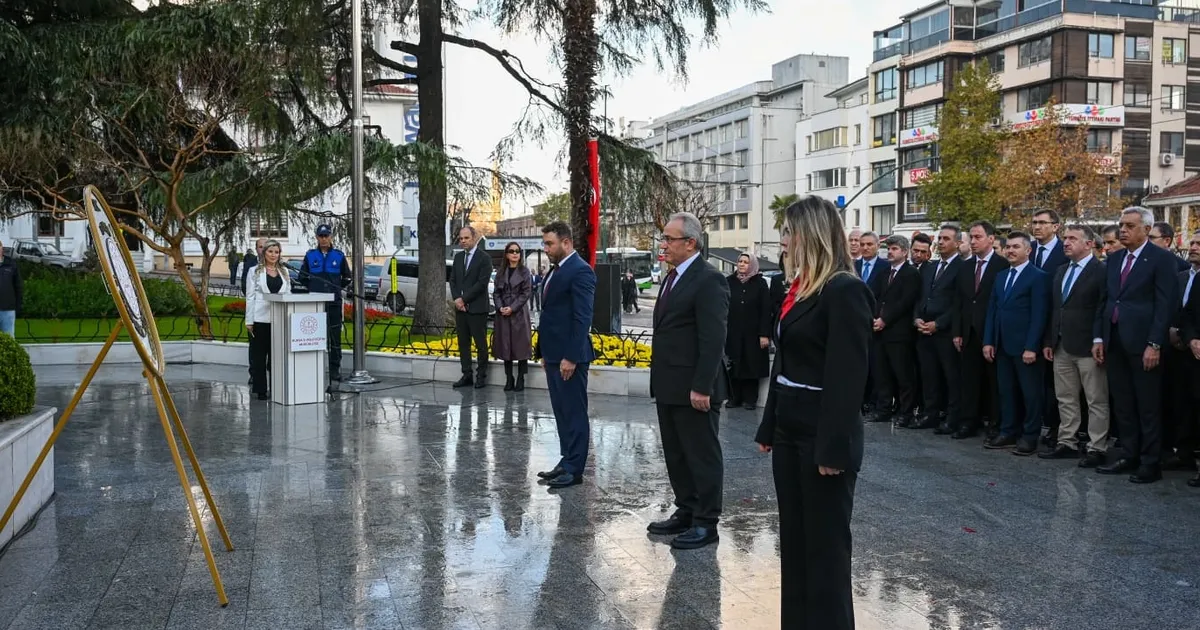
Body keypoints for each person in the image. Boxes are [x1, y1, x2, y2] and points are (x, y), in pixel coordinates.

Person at [755, 195, 871, 630]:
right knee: (797, 543)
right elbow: (784, 363)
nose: (783, 241)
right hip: (790, 427)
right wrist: (770, 424)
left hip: (823, 434)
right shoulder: (802, 287)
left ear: (812, 235)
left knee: (826, 551)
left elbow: (847, 379)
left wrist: (833, 450)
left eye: (789, 231)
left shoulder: (845, 290)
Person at [648, 211, 729, 551]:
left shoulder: (708, 279)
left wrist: (702, 386)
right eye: (663, 238)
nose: (662, 244)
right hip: (669, 384)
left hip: (694, 388)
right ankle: (687, 509)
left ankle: (706, 521)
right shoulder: (672, 276)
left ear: (690, 243)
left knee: (700, 454)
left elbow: (713, 338)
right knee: (677, 454)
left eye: (669, 239)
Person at [1095, 206, 1178, 484]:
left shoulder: (1161, 259)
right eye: (1121, 225)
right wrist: (1100, 337)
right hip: (1116, 340)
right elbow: (1107, 301)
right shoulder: (1116, 258)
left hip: (1144, 343)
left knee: (1148, 405)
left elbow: (1164, 305)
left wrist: (1154, 343)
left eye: (1130, 226)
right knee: (1124, 403)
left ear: (1145, 228)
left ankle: (1150, 462)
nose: (1123, 230)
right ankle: (1128, 454)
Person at [535, 222, 596, 488]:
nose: (546, 248)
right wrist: (544, 353)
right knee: (561, 411)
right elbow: (550, 314)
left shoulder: (580, 271)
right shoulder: (557, 270)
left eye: (550, 243)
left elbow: (582, 318)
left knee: (574, 412)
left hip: (570, 357)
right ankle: (566, 460)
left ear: (566, 243)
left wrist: (570, 357)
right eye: (545, 243)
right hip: (553, 355)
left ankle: (575, 468)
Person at [1042, 225, 1108, 467]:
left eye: (1072, 239)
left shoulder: (1101, 271)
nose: (1066, 243)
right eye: (1065, 238)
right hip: (1061, 345)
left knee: (1095, 399)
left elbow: (1102, 308)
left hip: (1089, 346)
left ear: (1089, 244)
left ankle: (1097, 446)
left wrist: (1098, 339)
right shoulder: (1061, 271)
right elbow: (1056, 308)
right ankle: (1067, 441)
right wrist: (1049, 340)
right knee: (1065, 397)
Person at [982, 231, 1050, 456]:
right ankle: (1008, 431)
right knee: (1006, 391)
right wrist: (989, 340)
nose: (1010, 251)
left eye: (1016, 247)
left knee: (1030, 394)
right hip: (1001, 345)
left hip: (1025, 348)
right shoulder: (1001, 276)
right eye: (1008, 247)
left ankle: (1030, 436)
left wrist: (1032, 346)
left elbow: (1040, 315)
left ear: (1028, 250)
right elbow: (993, 310)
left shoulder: (1038, 277)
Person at [953, 221, 1010, 439]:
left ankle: (995, 423)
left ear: (991, 239)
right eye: (971, 237)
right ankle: (968, 422)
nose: (973, 242)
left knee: (993, 382)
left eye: (978, 237)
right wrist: (957, 331)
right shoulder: (965, 267)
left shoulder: (1002, 265)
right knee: (969, 380)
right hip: (968, 332)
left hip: (991, 332)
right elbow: (958, 301)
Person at [914, 225, 964, 434]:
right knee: (929, 374)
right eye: (940, 238)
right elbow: (921, 295)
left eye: (946, 238)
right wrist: (916, 317)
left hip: (945, 331)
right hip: (923, 329)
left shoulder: (962, 267)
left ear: (957, 243)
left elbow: (958, 303)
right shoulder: (930, 267)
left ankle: (952, 417)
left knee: (951, 377)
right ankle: (930, 413)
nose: (941, 242)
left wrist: (939, 324)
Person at [871, 235, 921, 426]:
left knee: (903, 375)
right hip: (880, 331)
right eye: (889, 248)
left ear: (905, 251)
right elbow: (874, 296)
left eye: (894, 249)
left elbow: (905, 302)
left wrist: (885, 319)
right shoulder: (884, 273)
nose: (890, 252)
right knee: (882, 373)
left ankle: (905, 412)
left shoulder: (911, 274)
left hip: (899, 333)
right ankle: (883, 409)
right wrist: (875, 318)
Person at [300, 224, 351, 381]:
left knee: (334, 337)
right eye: (321, 236)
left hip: (333, 302)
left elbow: (347, 277)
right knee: (313, 336)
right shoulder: (310, 255)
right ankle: (313, 367)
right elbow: (302, 277)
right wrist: (313, 289)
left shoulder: (339, 255)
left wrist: (335, 289)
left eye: (326, 236)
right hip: (315, 303)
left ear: (331, 237)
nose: (324, 239)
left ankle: (335, 370)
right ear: (316, 237)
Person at [724, 253, 771, 411]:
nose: (742, 264)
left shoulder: (760, 283)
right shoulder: (729, 282)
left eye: (746, 262)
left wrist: (764, 334)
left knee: (751, 364)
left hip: (753, 332)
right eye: (740, 261)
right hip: (733, 331)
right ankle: (733, 397)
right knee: (734, 364)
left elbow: (766, 310)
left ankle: (750, 399)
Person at [245, 240, 290, 400]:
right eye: (270, 251)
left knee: (276, 356)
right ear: (264, 253)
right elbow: (250, 296)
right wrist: (249, 321)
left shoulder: (284, 271)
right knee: (259, 357)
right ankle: (261, 389)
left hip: (278, 319)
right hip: (259, 319)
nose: (273, 255)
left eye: (276, 252)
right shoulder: (255, 271)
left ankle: (277, 387)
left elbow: (288, 295)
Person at [449, 226, 493, 388]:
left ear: (474, 238)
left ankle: (481, 376)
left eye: (466, 238)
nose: (463, 241)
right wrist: (457, 299)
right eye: (461, 239)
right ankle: (466, 374)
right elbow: (453, 280)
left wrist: (464, 299)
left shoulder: (484, 258)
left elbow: (482, 283)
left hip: (476, 308)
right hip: (461, 309)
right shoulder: (459, 258)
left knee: (480, 344)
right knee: (463, 343)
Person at [1175, 231, 1200, 488]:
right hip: (1189, 352)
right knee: (1184, 403)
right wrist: (1192, 338)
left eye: (1197, 244)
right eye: (1192, 243)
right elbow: (1189, 313)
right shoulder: (1191, 278)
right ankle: (1183, 454)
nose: (1192, 247)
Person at [493, 242, 533, 392]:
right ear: (507, 254)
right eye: (512, 251)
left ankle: (521, 378)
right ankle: (509, 378)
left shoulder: (525, 272)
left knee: (521, 347)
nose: (515, 254)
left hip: (519, 313)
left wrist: (513, 307)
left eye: (517, 251)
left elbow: (526, 293)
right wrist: (500, 307)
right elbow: (496, 292)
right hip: (503, 313)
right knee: (506, 347)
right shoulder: (501, 272)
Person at [0, 240, 22, 337]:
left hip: (8, 310)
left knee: (9, 338)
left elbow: (18, 287)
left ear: (2, 249)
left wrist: (17, 306)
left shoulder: (11, 264)